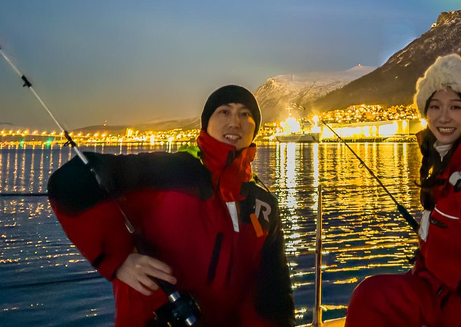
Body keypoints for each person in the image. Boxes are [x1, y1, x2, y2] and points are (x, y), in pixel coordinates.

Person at [48, 85, 294, 327]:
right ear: (206, 123)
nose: (235, 122)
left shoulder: (263, 205)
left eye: (245, 114)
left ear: (255, 130)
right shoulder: (168, 171)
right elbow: (73, 180)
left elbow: (272, 295)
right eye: (224, 111)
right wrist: (118, 259)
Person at [345, 54, 461, 327]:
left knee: (375, 298)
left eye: (455, 106)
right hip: (444, 290)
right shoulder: (448, 160)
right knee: (372, 296)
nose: (443, 116)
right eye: (435, 106)